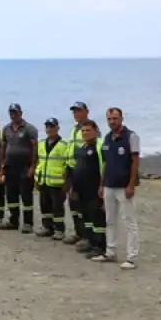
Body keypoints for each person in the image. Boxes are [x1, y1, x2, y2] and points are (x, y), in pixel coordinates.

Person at [99, 107, 141, 269]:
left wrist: (131, 184)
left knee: (129, 221)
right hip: (109, 185)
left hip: (124, 186)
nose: (112, 122)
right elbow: (105, 163)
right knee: (110, 220)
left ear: (122, 119)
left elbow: (135, 162)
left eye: (115, 118)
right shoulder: (107, 138)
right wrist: (102, 184)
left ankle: (131, 257)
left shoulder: (131, 137)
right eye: (109, 119)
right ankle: (111, 251)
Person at [68, 119, 106, 260]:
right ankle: (90, 241)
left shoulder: (99, 146)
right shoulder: (83, 147)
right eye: (83, 131)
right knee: (87, 218)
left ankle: (100, 246)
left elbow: (104, 167)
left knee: (97, 218)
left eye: (88, 130)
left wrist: (102, 185)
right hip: (81, 189)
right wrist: (73, 187)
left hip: (94, 189)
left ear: (95, 131)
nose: (85, 133)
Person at [0, 103, 38, 232]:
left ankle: (28, 223)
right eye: (11, 112)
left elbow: (35, 148)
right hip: (10, 167)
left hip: (24, 167)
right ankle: (13, 221)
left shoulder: (29, 128)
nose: (13, 115)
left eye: (15, 112)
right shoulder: (6, 129)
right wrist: (2, 167)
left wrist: (33, 166)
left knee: (26, 195)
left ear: (21, 113)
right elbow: (3, 148)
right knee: (11, 196)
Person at [65, 101, 100, 248]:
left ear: (86, 111)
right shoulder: (74, 129)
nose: (76, 114)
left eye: (79, 111)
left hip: (87, 172)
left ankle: (88, 237)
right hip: (73, 170)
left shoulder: (91, 128)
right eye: (74, 111)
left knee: (86, 207)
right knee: (74, 204)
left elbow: (97, 149)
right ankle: (79, 233)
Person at [34, 118, 69, 239]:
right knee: (45, 206)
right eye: (47, 127)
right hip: (43, 180)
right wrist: (36, 180)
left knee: (57, 207)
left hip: (57, 182)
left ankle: (59, 230)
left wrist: (67, 182)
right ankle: (47, 227)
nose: (49, 129)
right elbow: (38, 161)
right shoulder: (41, 143)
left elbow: (67, 163)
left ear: (57, 128)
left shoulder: (64, 145)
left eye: (52, 126)